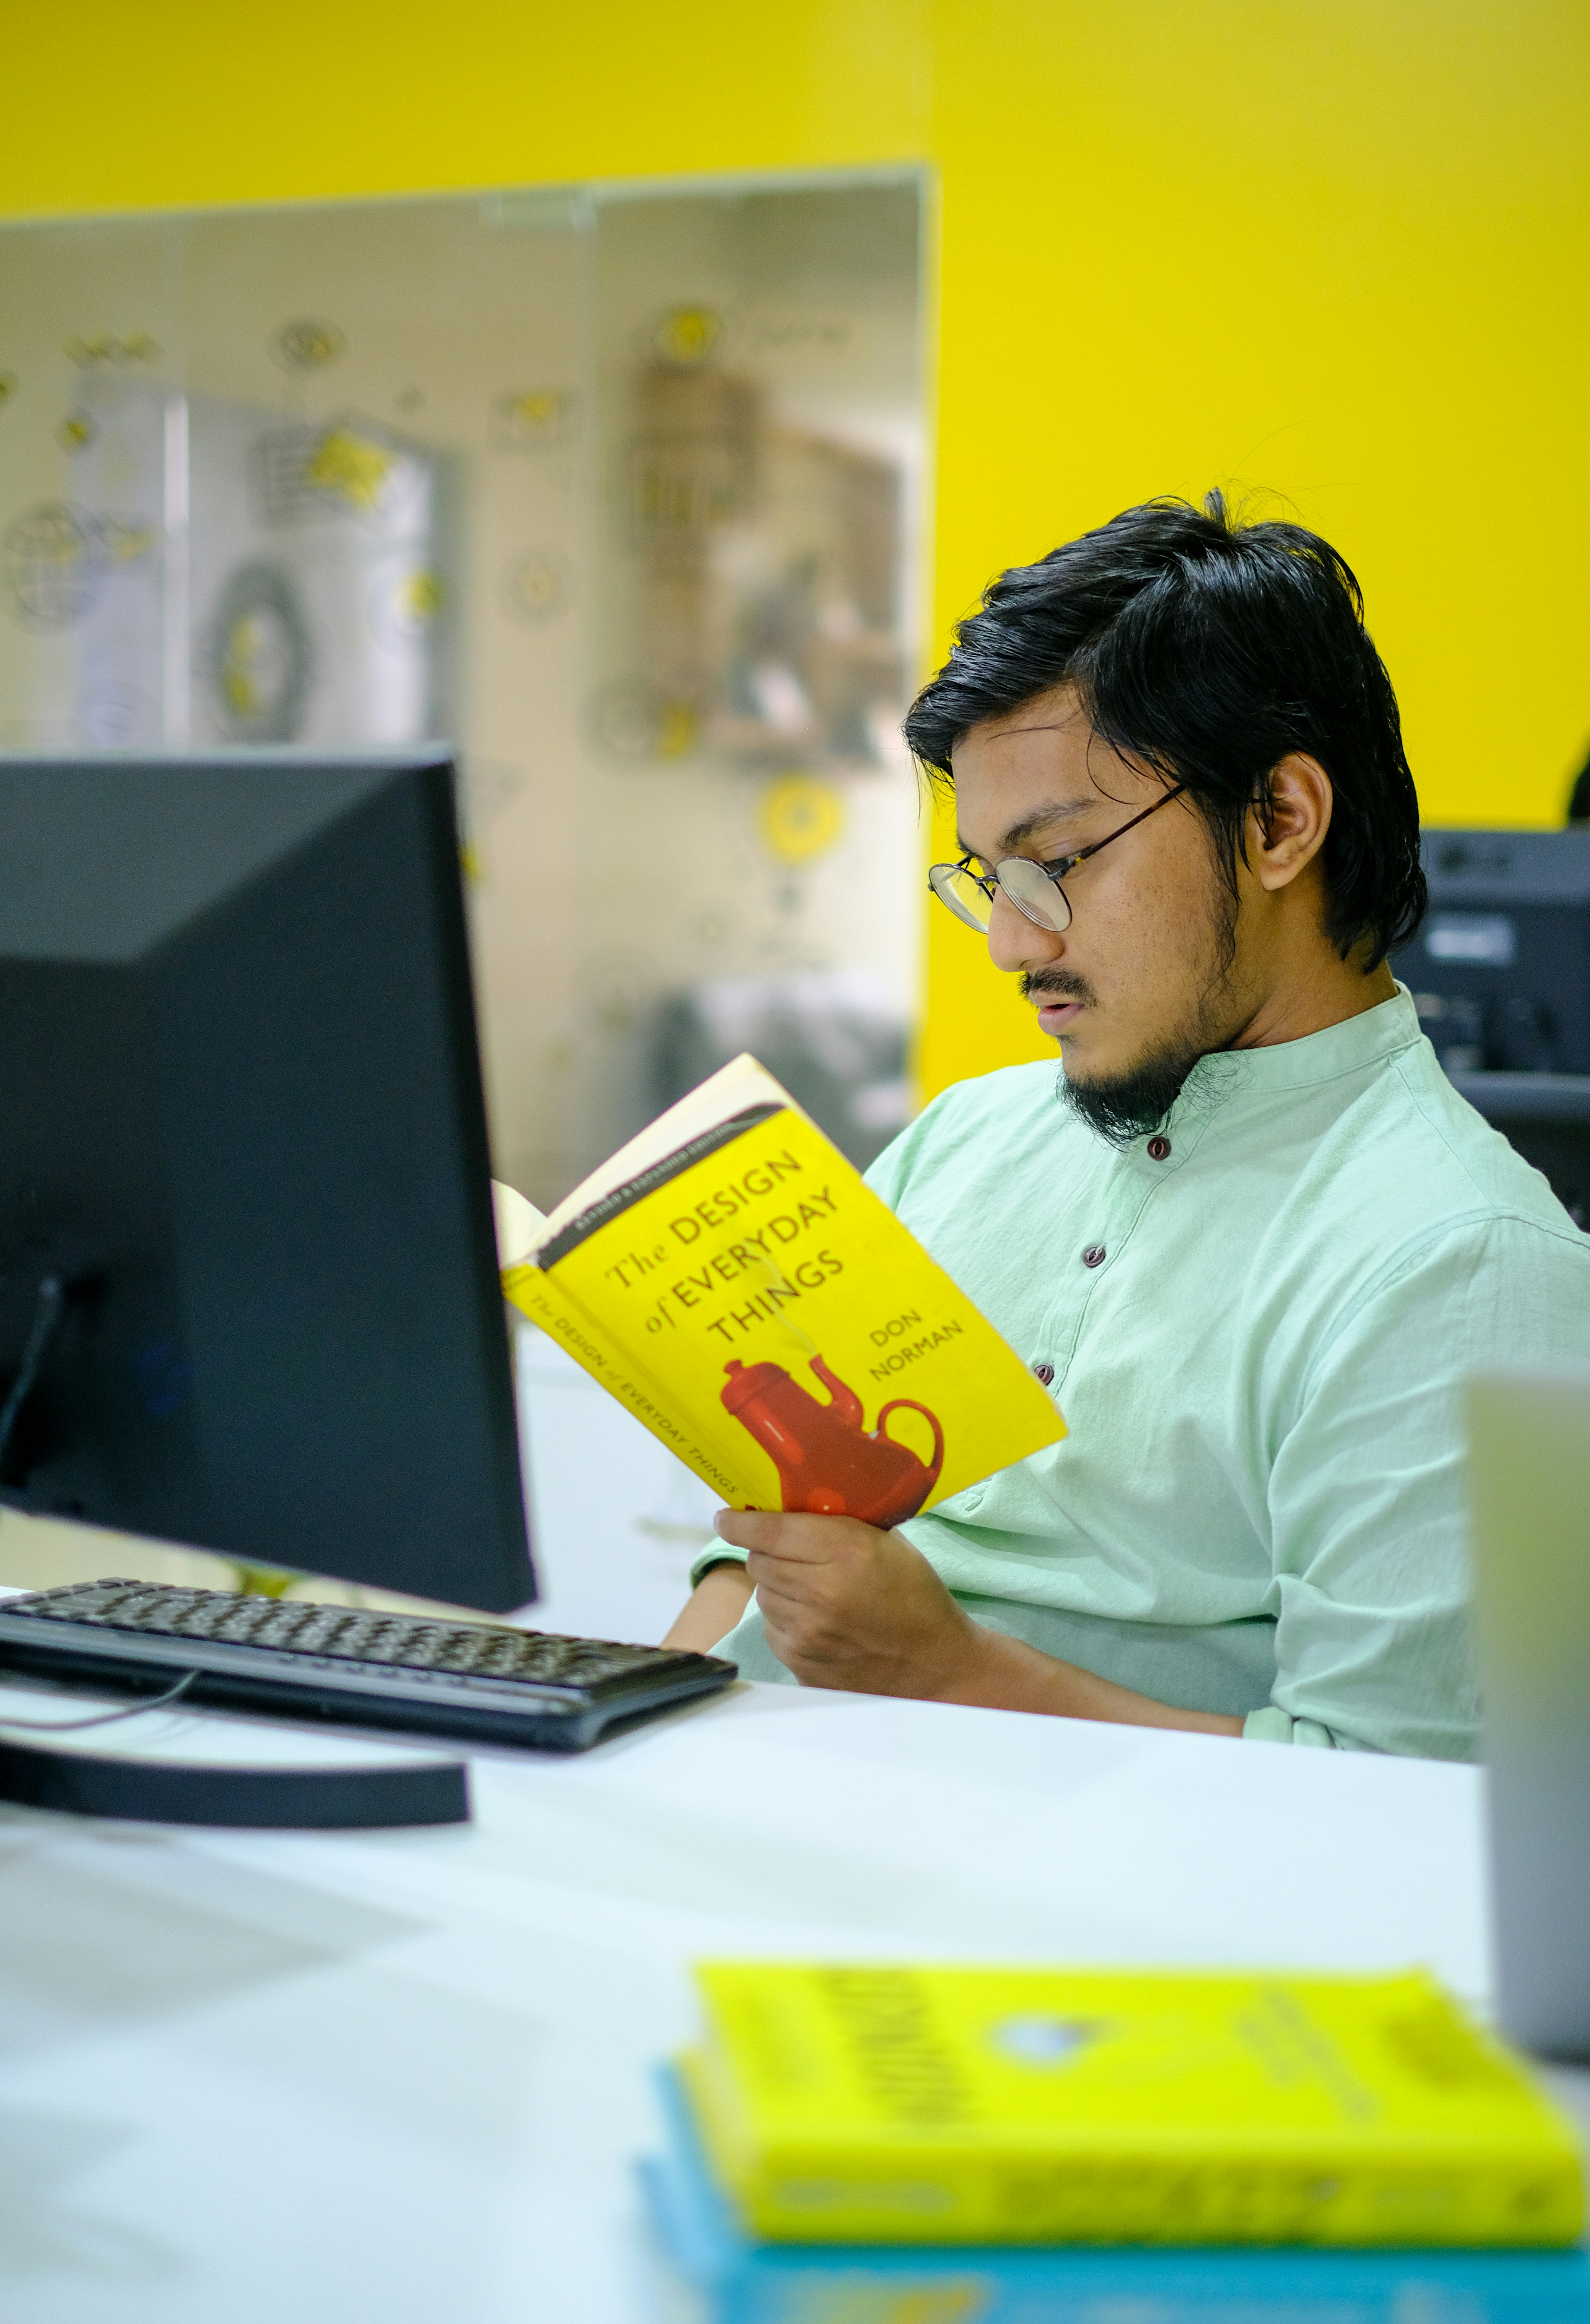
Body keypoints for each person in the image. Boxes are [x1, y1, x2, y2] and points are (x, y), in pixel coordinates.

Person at [663, 493, 1590, 1756]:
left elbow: (1396, 1807)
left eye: (1058, 862)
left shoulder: (1463, 1264)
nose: (1011, 941)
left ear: (1280, 821)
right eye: (988, 878)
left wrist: (947, 1673)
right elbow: (760, 1545)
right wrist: (617, 1717)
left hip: (1018, 1869)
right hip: (723, 1796)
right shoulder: (963, 1138)